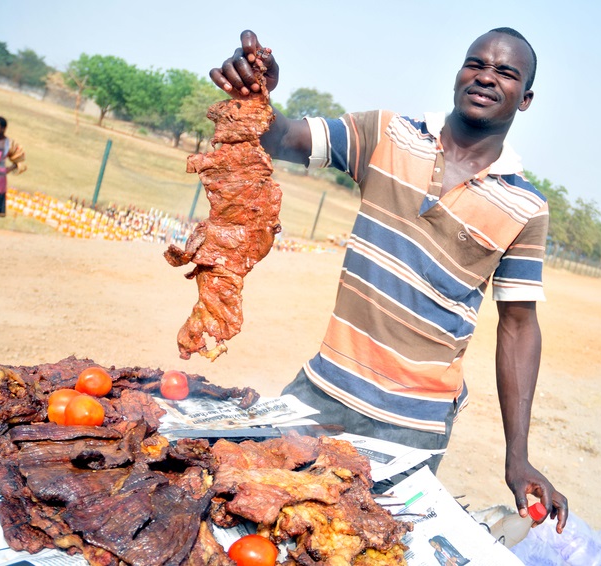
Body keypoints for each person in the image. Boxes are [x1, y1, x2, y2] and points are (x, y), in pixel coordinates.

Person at [210, 28, 568, 533]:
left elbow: (518, 326)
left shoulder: (525, 207)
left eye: (506, 72)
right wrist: (257, 96)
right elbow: (283, 138)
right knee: (247, 522)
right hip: (322, 393)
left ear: (525, 98)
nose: (486, 76)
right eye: (475, 63)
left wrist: (518, 456)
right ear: (459, 74)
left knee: (368, 546)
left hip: (414, 428)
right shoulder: (388, 135)